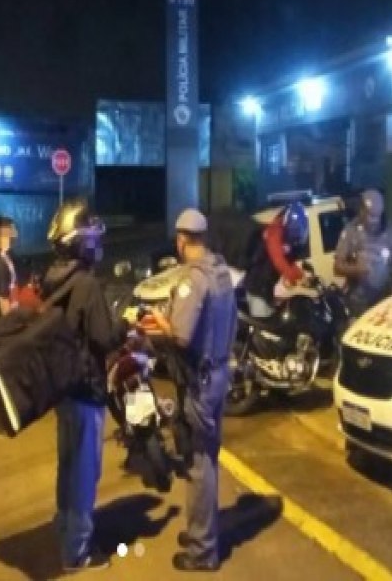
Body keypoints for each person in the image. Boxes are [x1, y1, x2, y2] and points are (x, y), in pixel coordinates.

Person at [149, 208, 238, 572]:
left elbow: (181, 335)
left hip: (199, 382)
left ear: (182, 240)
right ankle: (202, 529)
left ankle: (203, 551)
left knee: (198, 463)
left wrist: (160, 321)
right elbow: (232, 324)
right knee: (208, 458)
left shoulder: (194, 279)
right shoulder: (222, 272)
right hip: (218, 374)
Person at [44, 199, 129, 573]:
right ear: (81, 242)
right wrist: (126, 323)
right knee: (84, 472)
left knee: (67, 464)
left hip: (62, 388)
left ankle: (65, 527)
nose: (97, 243)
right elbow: (104, 338)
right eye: (93, 237)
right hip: (85, 389)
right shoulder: (88, 285)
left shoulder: (53, 279)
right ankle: (76, 551)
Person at [333, 188, 392, 318]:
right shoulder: (350, 231)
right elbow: (337, 267)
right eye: (370, 216)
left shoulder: (390, 231)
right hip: (357, 302)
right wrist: (356, 270)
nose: (374, 221)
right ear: (361, 211)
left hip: (384, 301)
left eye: (377, 217)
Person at [242, 200, 310, 317]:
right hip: (257, 289)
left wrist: (301, 274)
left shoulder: (285, 236)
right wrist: (292, 275)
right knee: (263, 323)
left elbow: (288, 260)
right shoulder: (274, 231)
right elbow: (278, 259)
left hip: (266, 289)